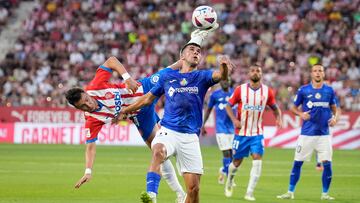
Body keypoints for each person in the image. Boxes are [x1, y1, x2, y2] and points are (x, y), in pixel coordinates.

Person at [117, 35, 231, 203]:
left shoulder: (202, 77)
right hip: (168, 131)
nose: (196, 53)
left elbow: (221, 76)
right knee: (158, 151)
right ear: (182, 56)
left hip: (190, 137)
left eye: (198, 51)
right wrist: (126, 110)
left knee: (194, 190)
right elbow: (147, 98)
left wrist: (224, 67)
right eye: (191, 50)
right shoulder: (168, 77)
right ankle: (151, 196)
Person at [65, 56, 187, 202]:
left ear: (86, 93)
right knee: (159, 152)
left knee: (175, 67)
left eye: (87, 101)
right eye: (82, 107)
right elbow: (90, 146)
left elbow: (111, 60)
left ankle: (196, 40)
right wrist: (88, 171)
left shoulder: (96, 86)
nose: (88, 106)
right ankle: (180, 193)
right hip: (140, 114)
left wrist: (127, 78)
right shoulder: (92, 119)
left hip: (144, 88)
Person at [277, 64, 340, 200]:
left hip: (324, 135)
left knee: (327, 164)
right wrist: (301, 114)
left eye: (320, 71)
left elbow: (335, 108)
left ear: (323, 74)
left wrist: (335, 118)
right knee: (297, 163)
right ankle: (290, 192)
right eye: (315, 71)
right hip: (307, 134)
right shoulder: (303, 90)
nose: (318, 73)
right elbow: (293, 108)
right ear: (311, 74)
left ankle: (325, 194)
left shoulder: (329, 91)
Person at [224, 64, 283, 201]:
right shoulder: (240, 90)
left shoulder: (267, 91)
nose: (255, 72)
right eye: (253, 70)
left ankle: (249, 193)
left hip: (257, 134)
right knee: (236, 163)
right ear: (248, 74)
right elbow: (228, 106)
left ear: (261, 74)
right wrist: (234, 120)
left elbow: (275, 107)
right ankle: (230, 180)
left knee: (257, 160)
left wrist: (278, 118)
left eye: (258, 71)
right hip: (241, 133)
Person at [202, 78, 235, 185]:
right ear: (220, 82)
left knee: (233, 155)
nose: (225, 82)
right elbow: (208, 110)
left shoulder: (235, 93)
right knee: (226, 153)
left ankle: (223, 171)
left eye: (227, 80)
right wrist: (203, 124)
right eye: (224, 80)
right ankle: (230, 179)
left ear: (230, 81)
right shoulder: (215, 95)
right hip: (221, 129)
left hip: (233, 129)